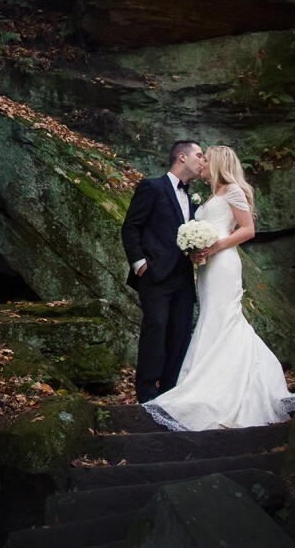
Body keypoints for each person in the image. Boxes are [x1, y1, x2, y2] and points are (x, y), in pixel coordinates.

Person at [144, 145, 295, 431]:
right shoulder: (210, 195)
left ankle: (233, 385)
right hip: (207, 267)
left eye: (206, 159)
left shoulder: (233, 191)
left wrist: (215, 246)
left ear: (218, 163)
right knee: (212, 318)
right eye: (200, 157)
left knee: (225, 318)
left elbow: (247, 230)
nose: (201, 163)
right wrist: (196, 251)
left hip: (224, 264)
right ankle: (215, 380)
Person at [121, 140, 204, 404]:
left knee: (180, 333)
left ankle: (169, 393)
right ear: (182, 156)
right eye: (199, 155)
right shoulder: (152, 187)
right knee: (155, 328)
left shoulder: (192, 197)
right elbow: (131, 227)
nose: (202, 161)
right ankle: (146, 394)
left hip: (183, 278)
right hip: (155, 275)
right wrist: (140, 264)